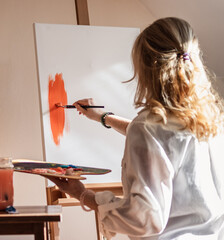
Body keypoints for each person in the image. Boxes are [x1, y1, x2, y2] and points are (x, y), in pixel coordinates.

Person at [47, 17, 224, 239]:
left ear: (147, 69)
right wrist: (104, 117)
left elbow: (144, 220)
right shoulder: (211, 121)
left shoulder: (148, 129)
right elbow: (165, 145)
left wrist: (83, 195)